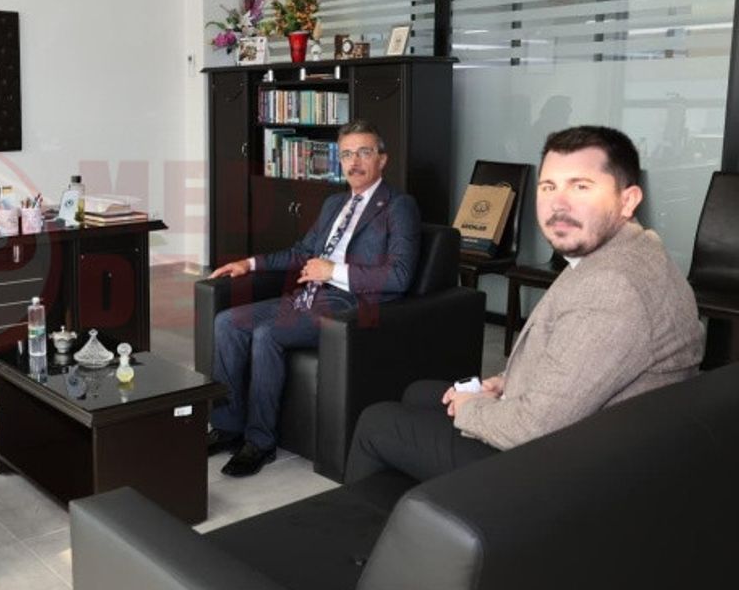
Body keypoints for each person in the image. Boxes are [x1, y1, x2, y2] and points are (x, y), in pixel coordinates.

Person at [345, 125, 705, 484]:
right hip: (583, 431)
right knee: (420, 394)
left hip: (559, 471)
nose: (558, 204)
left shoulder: (613, 287)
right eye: (548, 187)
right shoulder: (630, 250)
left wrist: (474, 409)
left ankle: (395, 517)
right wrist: (505, 383)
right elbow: (582, 362)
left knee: (378, 422)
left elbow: (534, 426)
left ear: (628, 200)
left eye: (581, 186)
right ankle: (422, 507)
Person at [207, 119, 420, 477]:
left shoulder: (399, 206)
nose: (354, 162)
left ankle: (259, 442)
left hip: (351, 305)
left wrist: (332, 271)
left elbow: (400, 276)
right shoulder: (334, 203)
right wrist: (249, 263)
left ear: (382, 159)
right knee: (227, 322)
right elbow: (301, 252)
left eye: (364, 152)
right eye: (347, 154)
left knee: (267, 333)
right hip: (310, 296)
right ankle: (227, 427)